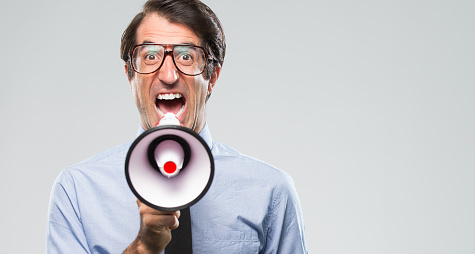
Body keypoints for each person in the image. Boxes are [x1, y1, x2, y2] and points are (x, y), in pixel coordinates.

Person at [46, 0, 307, 253]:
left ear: (212, 77)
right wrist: (145, 247)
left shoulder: (270, 190)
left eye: (185, 56)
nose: (168, 76)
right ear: (130, 75)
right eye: (150, 56)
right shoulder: (78, 190)